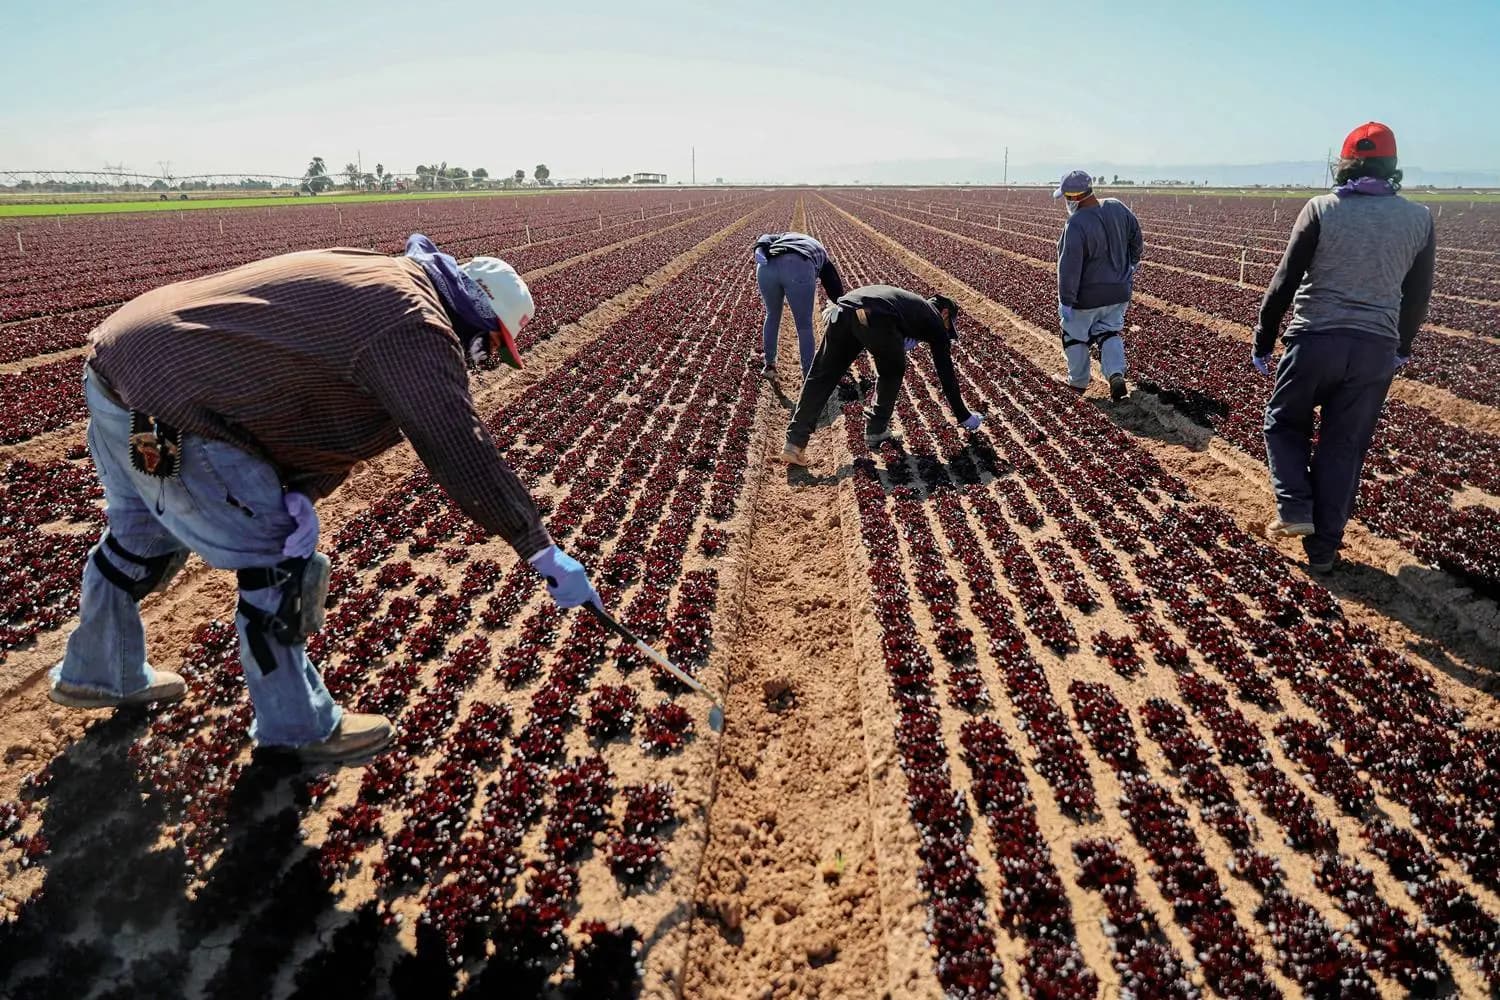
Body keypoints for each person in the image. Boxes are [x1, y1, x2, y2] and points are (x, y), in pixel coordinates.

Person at [50, 234, 600, 763]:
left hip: (121, 368)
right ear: (478, 322)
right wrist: (537, 546)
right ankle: (297, 728)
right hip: (177, 407)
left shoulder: (387, 280)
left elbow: (304, 398)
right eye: (492, 350)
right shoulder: (414, 327)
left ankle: (97, 671)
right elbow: (457, 445)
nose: (483, 364)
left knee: (140, 537)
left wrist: (301, 491)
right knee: (277, 564)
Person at [1253, 121, 1436, 573]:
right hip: (1375, 348)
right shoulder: (1419, 218)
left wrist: (1263, 338)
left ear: (1344, 164)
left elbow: (1284, 281)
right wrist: (1402, 347)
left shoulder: (1321, 208)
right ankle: (1324, 550)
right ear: (1392, 167)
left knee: (1283, 422)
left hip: (1315, 338)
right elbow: (1417, 296)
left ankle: (1295, 506)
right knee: (1343, 446)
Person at [780, 285, 981, 465]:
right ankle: (876, 430)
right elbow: (945, 373)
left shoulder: (912, 304)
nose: (947, 332)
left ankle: (794, 442)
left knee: (822, 373)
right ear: (945, 313)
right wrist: (964, 416)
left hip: (844, 309)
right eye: (949, 326)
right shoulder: (935, 320)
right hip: (874, 314)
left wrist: (894, 337)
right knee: (892, 370)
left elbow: (884, 314)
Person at [1053, 170, 1142, 401]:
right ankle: (1115, 374)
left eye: (1065, 197)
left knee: (1074, 336)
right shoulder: (1117, 207)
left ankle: (1077, 383)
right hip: (1119, 292)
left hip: (1087, 297)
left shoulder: (1075, 224)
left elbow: (1069, 267)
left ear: (1073, 198)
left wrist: (1066, 301)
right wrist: (1131, 263)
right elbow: (1136, 236)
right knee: (1109, 333)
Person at [753, 231, 845, 380]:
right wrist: (841, 305)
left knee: (772, 315)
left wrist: (759, 248)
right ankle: (808, 374)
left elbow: (764, 238)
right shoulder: (821, 252)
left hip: (766, 268)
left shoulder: (781, 237)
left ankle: (769, 365)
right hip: (798, 266)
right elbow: (835, 287)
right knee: (804, 326)